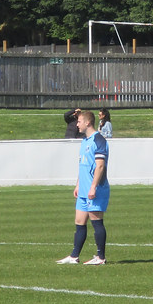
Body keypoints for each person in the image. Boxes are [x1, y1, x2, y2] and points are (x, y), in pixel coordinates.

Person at [57, 109, 110, 265]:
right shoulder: (85, 141)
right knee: (79, 222)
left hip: (96, 189)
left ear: (87, 122)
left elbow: (100, 167)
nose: (77, 124)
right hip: (83, 190)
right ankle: (74, 256)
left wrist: (93, 187)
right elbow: (83, 165)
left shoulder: (98, 140)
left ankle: (100, 257)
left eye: (79, 121)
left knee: (96, 222)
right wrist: (78, 184)